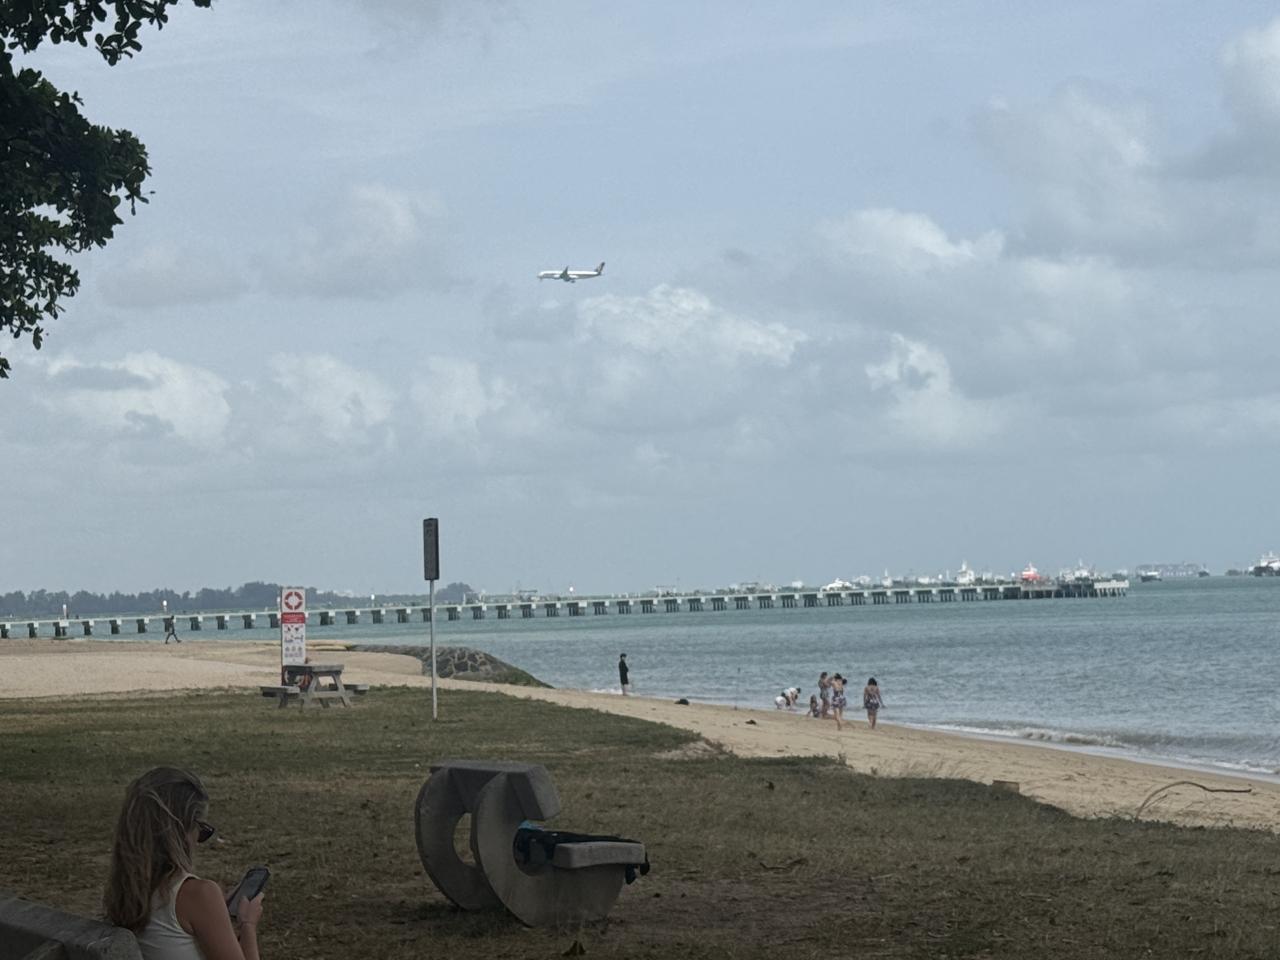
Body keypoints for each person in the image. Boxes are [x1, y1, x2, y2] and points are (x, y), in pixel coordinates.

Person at [104, 767, 265, 960]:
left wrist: (214, 914)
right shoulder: (198, 894)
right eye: (202, 830)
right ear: (182, 830)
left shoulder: (123, 893)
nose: (198, 841)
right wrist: (248, 925)